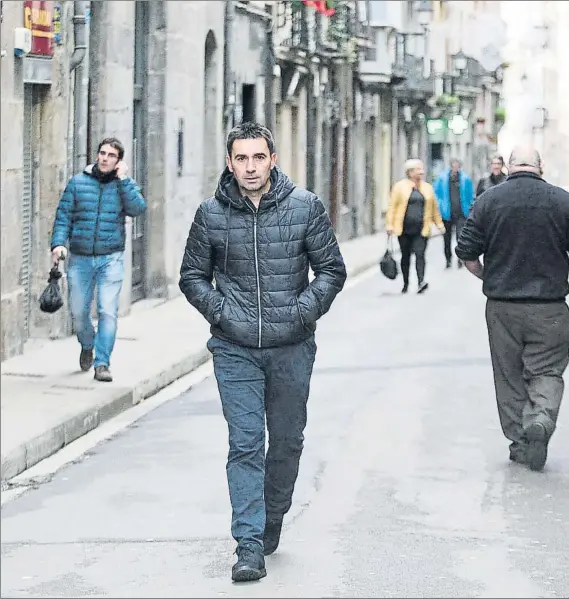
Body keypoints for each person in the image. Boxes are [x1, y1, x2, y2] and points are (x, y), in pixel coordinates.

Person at [179, 122, 346, 582]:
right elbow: (192, 276)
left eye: (258, 158)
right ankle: (248, 544)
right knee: (246, 441)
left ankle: (273, 517)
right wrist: (221, 312)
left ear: (272, 158)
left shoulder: (305, 207)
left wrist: (301, 312)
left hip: (292, 346)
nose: (250, 167)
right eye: (241, 159)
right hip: (234, 350)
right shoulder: (209, 214)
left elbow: (331, 270)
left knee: (287, 442)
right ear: (229, 163)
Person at [456, 145, 569, 471]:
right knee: (546, 371)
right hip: (550, 306)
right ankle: (541, 418)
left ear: (507, 167)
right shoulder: (562, 201)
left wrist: (486, 275)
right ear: (541, 166)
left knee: (509, 376)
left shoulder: (489, 200)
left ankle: (521, 442)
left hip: (503, 306)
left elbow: (466, 251)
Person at [51, 137, 146, 382]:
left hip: (110, 258)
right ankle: (87, 344)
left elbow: (138, 208)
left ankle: (102, 363)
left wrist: (124, 180)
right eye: (102, 153)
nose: (105, 158)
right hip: (80, 259)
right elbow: (63, 216)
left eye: (111, 155)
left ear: (119, 161)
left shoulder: (124, 185)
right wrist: (59, 243)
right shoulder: (78, 183)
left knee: (107, 311)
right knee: (78, 312)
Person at [386, 159, 445, 294]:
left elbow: (434, 208)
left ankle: (421, 282)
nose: (421, 172)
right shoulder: (399, 187)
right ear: (410, 172)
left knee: (420, 254)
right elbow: (392, 207)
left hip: (422, 229)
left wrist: (439, 224)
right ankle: (406, 283)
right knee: (405, 256)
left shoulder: (427, 188)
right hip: (404, 229)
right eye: (418, 169)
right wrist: (389, 225)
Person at [433, 158, 475, 269]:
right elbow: (436, 194)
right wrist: (440, 206)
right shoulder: (442, 179)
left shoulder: (465, 179)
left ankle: (460, 258)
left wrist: (470, 209)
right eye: (454, 165)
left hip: (461, 213)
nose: (456, 168)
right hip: (447, 213)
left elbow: (471, 195)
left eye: (458, 166)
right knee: (446, 238)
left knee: (460, 237)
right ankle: (448, 259)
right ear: (451, 166)